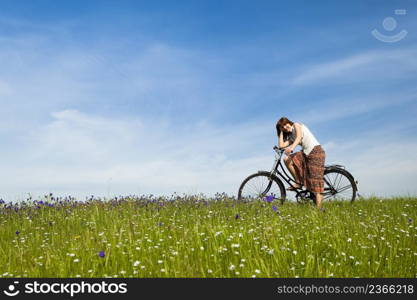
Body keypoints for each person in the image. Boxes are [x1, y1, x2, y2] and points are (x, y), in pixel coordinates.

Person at [276, 117, 326, 208]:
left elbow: (299, 137)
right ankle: (298, 182)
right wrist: (281, 133)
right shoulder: (291, 136)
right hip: (306, 153)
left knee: (315, 181)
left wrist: (291, 148)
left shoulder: (296, 125)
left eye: (285, 124)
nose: (285, 127)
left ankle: (318, 211)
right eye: (282, 127)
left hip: (315, 151)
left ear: (289, 122)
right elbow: (281, 145)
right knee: (286, 160)